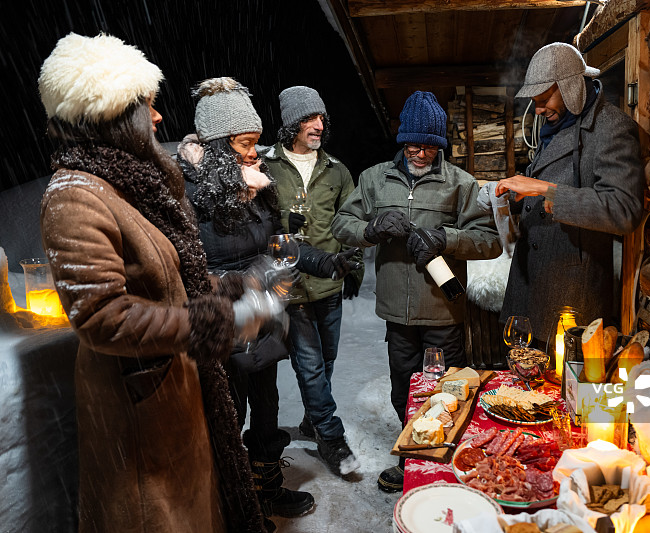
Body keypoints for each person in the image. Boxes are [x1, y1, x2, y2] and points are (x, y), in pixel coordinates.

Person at [38, 34, 275, 533]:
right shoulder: (75, 195)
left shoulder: (132, 185)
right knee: (156, 516)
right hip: (138, 409)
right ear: (112, 115)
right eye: (146, 105)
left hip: (174, 394)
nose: (159, 116)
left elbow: (169, 277)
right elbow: (101, 318)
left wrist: (225, 287)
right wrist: (205, 323)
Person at [177, 77, 362, 521]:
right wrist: (238, 287)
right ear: (219, 144)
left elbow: (279, 243)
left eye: (255, 142)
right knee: (227, 416)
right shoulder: (189, 195)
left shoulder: (255, 187)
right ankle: (233, 505)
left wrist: (324, 262)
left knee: (266, 410)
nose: (253, 152)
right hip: (223, 327)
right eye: (244, 143)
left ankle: (267, 487)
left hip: (261, 322)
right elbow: (186, 269)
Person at [331, 90, 502, 492]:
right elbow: (341, 224)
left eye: (429, 147)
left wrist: (445, 238)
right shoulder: (375, 179)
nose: (420, 154)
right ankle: (414, 456)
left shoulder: (460, 184)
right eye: (413, 145)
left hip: (442, 312)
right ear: (402, 141)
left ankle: (445, 464)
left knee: (447, 394)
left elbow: (489, 240)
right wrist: (372, 228)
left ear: (440, 145)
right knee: (403, 391)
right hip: (397, 313)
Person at [494, 42, 645, 345]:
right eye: (535, 101)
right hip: (529, 284)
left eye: (543, 99)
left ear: (571, 86)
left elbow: (624, 209)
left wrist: (545, 190)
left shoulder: (611, 129)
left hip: (570, 294)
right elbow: (548, 180)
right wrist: (513, 196)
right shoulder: (557, 126)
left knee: (562, 375)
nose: (538, 110)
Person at [259, 86, 363, 477]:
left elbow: (352, 222)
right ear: (291, 124)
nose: (318, 125)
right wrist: (283, 227)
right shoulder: (267, 166)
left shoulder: (336, 170)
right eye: (309, 119)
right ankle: (330, 436)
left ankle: (312, 418)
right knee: (311, 365)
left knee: (327, 358)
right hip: (289, 285)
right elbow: (257, 225)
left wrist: (354, 268)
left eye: (321, 118)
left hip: (329, 282)